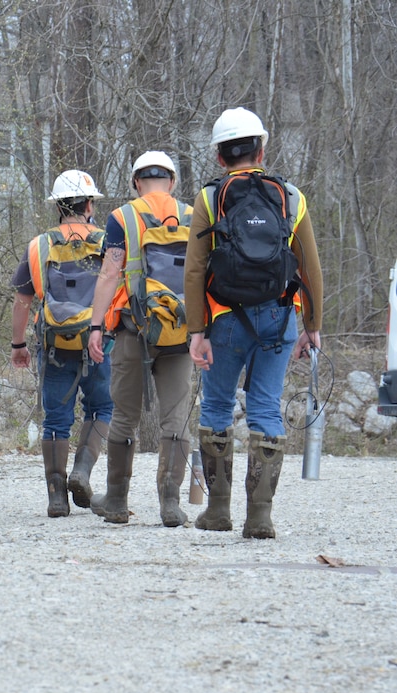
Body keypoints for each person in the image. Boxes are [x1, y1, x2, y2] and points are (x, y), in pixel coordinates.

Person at [185, 107, 323, 539]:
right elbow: (311, 267)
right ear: (262, 148)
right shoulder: (291, 197)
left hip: (224, 319)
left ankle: (218, 511)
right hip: (281, 316)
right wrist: (312, 325)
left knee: (217, 405)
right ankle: (259, 517)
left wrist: (196, 331)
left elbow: (194, 270)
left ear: (219, 156)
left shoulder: (210, 198)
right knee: (265, 405)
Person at [86, 151, 195, 527]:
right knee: (176, 418)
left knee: (124, 415)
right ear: (173, 181)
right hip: (182, 332)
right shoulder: (194, 216)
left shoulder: (122, 217)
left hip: (134, 329)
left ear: (135, 182)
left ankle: (116, 500)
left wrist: (95, 326)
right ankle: (170, 503)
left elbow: (108, 274)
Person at [11, 170, 113, 517]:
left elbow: (23, 300)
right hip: (100, 343)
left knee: (55, 419)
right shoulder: (107, 243)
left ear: (58, 207)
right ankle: (82, 472)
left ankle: (57, 497)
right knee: (102, 408)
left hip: (54, 344)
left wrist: (17, 345)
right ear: (88, 205)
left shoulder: (39, 246)